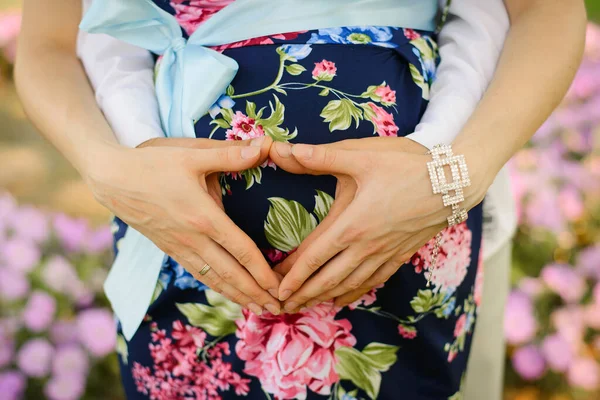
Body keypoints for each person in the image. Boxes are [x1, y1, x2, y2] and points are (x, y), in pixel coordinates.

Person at [15, 0, 586, 399]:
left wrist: (454, 174)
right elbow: (51, 41)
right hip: (174, 252)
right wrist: (110, 168)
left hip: (412, 241)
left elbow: (544, 10)